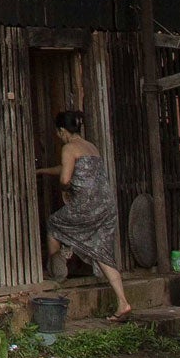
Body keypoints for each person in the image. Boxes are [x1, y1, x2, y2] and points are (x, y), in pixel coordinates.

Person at [40, 109, 132, 320]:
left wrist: (66, 192)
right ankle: (123, 303)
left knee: (54, 223)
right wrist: (42, 171)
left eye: (58, 132)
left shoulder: (69, 147)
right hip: (106, 205)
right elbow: (73, 169)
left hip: (87, 205)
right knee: (100, 250)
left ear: (62, 131)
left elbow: (65, 179)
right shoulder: (91, 147)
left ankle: (57, 268)